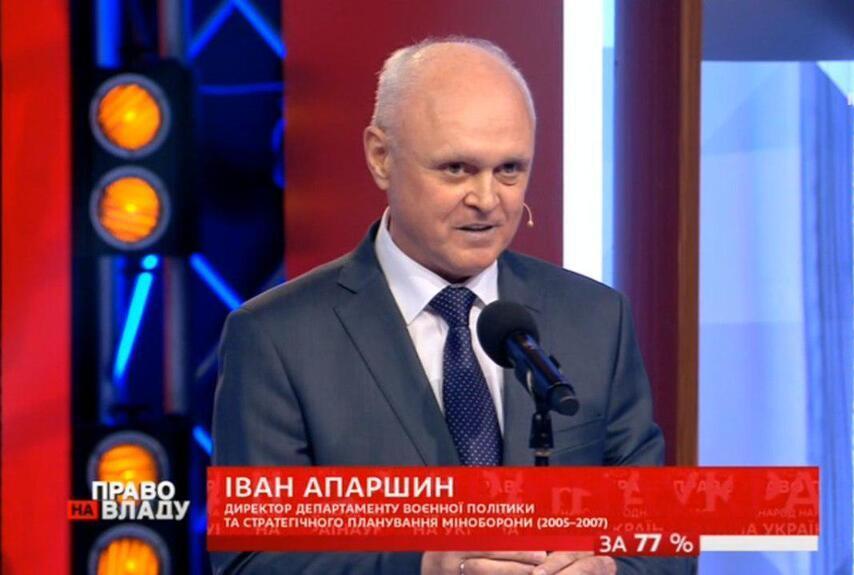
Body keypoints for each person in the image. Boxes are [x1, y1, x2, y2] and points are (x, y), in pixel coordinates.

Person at [213, 37, 692, 575]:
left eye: (509, 169)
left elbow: (665, 541)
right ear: (381, 157)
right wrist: (422, 568)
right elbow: (248, 562)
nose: (487, 200)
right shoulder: (276, 338)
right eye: (456, 168)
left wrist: (611, 570)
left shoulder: (596, 319)